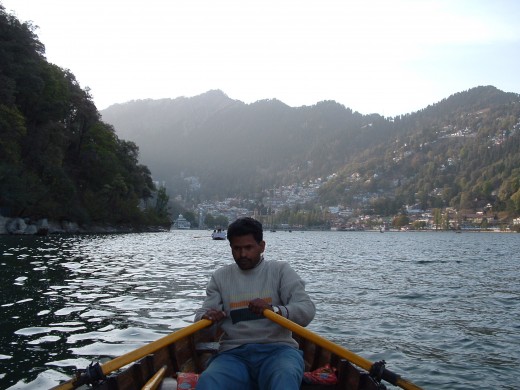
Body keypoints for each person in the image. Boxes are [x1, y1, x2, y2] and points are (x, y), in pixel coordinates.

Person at [194, 217, 316, 390]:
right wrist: (207, 319)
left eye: (248, 247)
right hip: (232, 355)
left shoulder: (280, 271)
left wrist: (273, 310)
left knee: (284, 378)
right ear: (231, 248)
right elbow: (202, 322)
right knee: (208, 382)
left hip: (279, 352)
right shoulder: (220, 277)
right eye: (237, 248)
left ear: (262, 246)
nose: (242, 254)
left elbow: (307, 310)